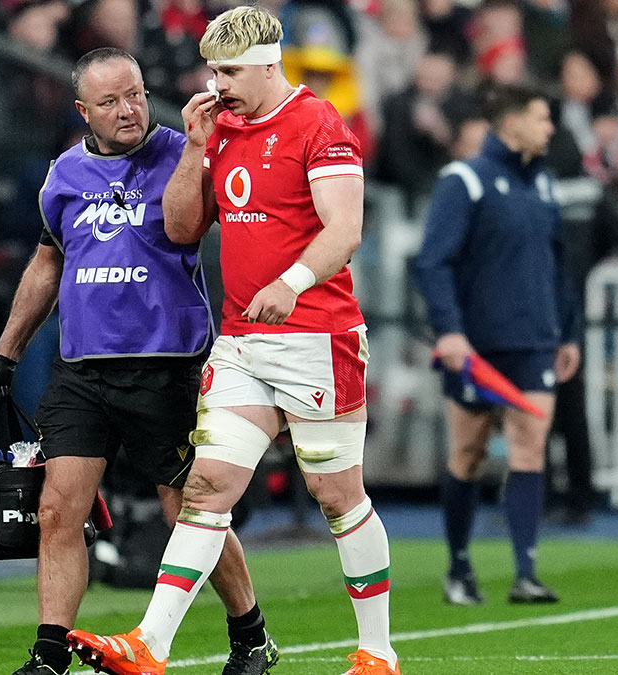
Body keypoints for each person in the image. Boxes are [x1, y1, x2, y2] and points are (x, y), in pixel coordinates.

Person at [66, 8, 399, 675]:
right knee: (207, 487)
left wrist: (295, 280)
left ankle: (377, 650)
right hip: (245, 338)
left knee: (338, 495)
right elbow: (184, 228)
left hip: (316, 336)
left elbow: (345, 228)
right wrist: (193, 147)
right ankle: (148, 645)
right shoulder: (220, 130)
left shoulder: (318, 124)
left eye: (230, 71)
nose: (216, 83)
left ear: (271, 63)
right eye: (212, 68)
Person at [0, 48, 277, 675]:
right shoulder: (62, 176)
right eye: (110, 101)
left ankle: (250, 634)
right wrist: (6, 354)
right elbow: (47, 263)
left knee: (188, 511)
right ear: (83, 110)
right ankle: (49, 652)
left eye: (135, 94)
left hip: (166, 365)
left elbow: (189, 231)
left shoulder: (184, 150)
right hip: (82, 368)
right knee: (59, 508)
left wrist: (196, 151)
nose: (128, 110)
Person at [413, 84, 580, 606]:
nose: (550, 128)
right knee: (469, 451)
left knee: (531, 447)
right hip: (477, 345)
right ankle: (459, 567)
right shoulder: (464, 180)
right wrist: (451, 331)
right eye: (542, 118)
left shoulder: (546, 185)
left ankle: (525, 572)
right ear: (511, 124)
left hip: (533, 342)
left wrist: (568, 330)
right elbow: (432, 263)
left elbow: (558, 264)